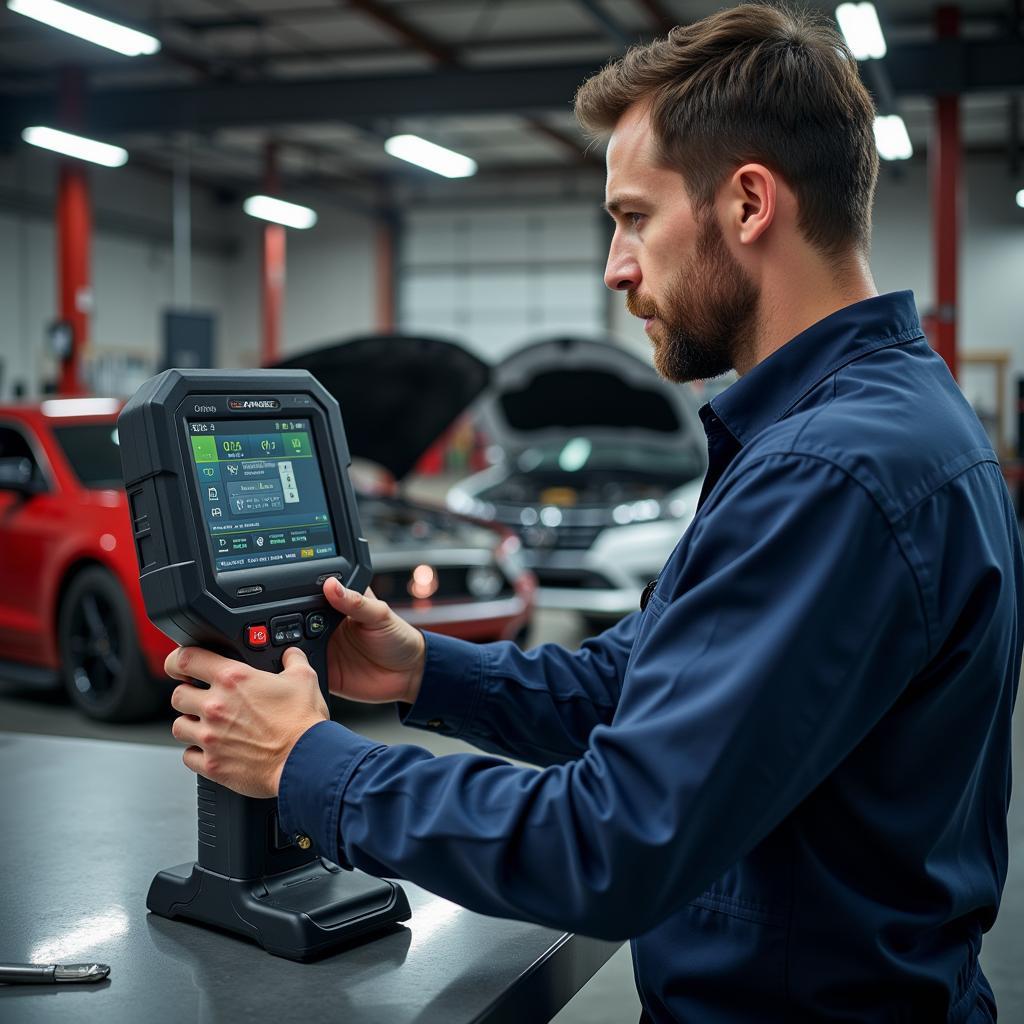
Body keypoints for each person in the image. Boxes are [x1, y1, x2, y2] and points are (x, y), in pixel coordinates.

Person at [164, 5, 1022, 1020]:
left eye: (630, 216)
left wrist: (312, 766)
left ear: (748, 202)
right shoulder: (871, 423)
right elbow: (645, 683)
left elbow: (616, 841)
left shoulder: (835, 469)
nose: (615, 267)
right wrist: (425, 668)